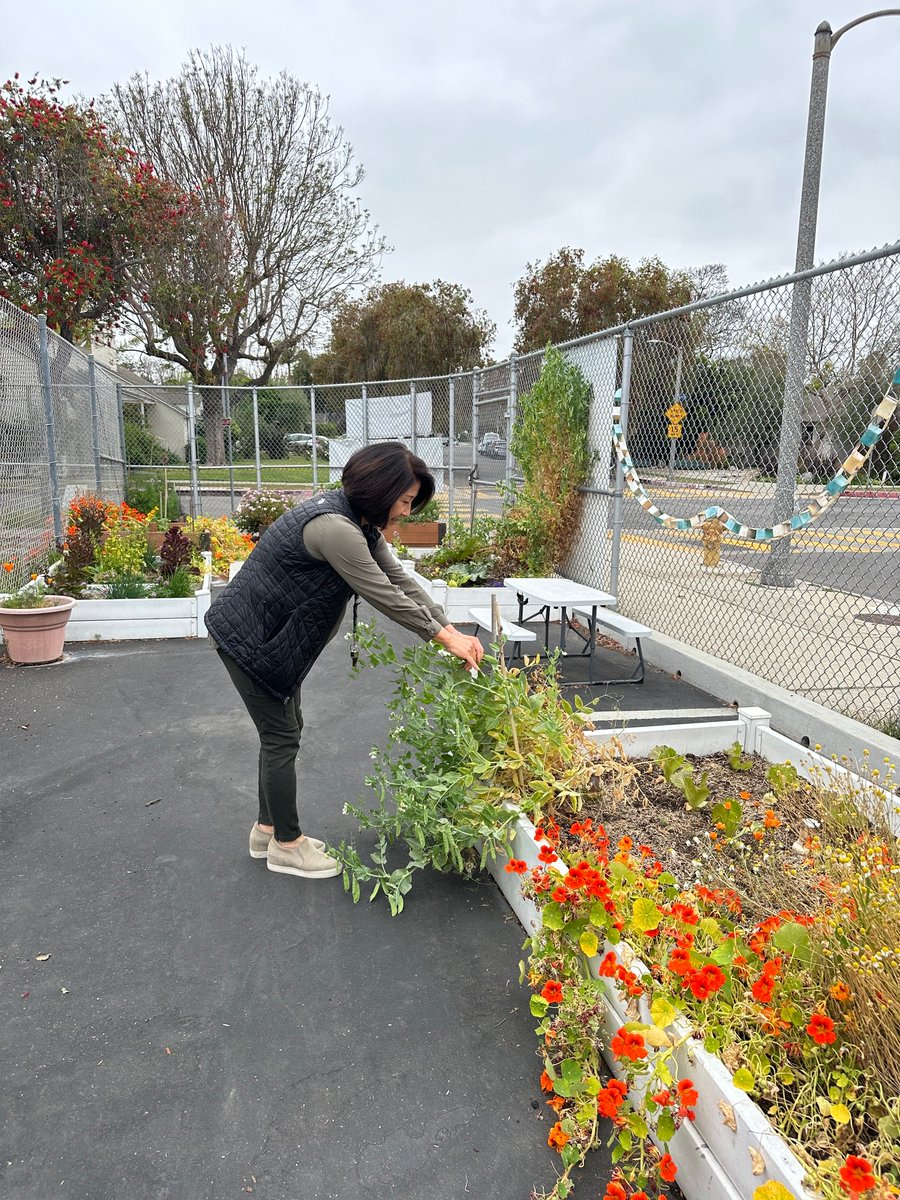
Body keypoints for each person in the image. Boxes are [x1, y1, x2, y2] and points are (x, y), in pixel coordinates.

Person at [205, 442, 484, 882]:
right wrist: (444, 638)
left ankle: (267, 831)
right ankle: (287, 845)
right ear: (381, 490)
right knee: (281, 736)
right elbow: (384, 595)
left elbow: (401, 581)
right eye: (406, 501)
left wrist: (448, 628)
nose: (407, 513)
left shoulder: (360, 524)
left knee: (283, 730)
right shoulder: (336, 529)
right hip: (253, 641)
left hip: (271, 640)